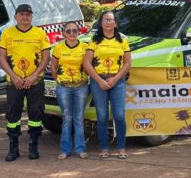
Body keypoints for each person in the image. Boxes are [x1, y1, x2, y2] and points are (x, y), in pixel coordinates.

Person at [0, 4, 50, 161]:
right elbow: (1, 58)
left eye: (28, 14)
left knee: (36, 114)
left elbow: (45, 57)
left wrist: (34, 76)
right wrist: (14, 76)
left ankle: (33, 146)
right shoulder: (7, 34)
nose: (24, 17)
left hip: (35, 82)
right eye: (21, 14)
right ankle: (13, 148)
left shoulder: (40, 33)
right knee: (13, 116)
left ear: (31, 16)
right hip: (15, 82)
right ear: (15, 17)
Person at [83, 11, 131, 159]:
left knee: (119, 116)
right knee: (102, 116)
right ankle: (104, 147)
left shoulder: (122, 41)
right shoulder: (94, 41)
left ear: (115, 23)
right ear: (101, 23)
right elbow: (86, 63)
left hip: (117, 82)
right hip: (99, 82)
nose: (108, 22)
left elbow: (128, 63)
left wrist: (115, 79)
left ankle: (121, 148)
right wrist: (99, 80)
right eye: (105, 20)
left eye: (111, 20)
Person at [51, 21, 89, 160]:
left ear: (79, 32)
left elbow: (90, 66)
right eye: (68, 31)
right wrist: (61, 80)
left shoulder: (85, 47)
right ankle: (65, 150)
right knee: (67, 118)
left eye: (74, 30)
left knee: (78, 118)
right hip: (64, 88)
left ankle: (80, 149)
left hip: (81, 87)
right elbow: (53, 68)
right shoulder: (58, 48)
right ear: (63, 33)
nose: (72, 33)